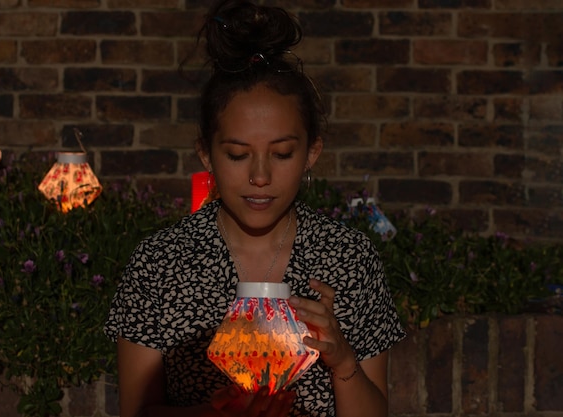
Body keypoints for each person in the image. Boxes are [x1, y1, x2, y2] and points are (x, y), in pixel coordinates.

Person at [104, 1, 406, 416]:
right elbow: (136, 411)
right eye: (237, 155)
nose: (260, 176)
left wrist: (344, 362)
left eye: (281, 154)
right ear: (206, 155)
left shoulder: (349, 259)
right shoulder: (160, 263)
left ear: (310, 153)